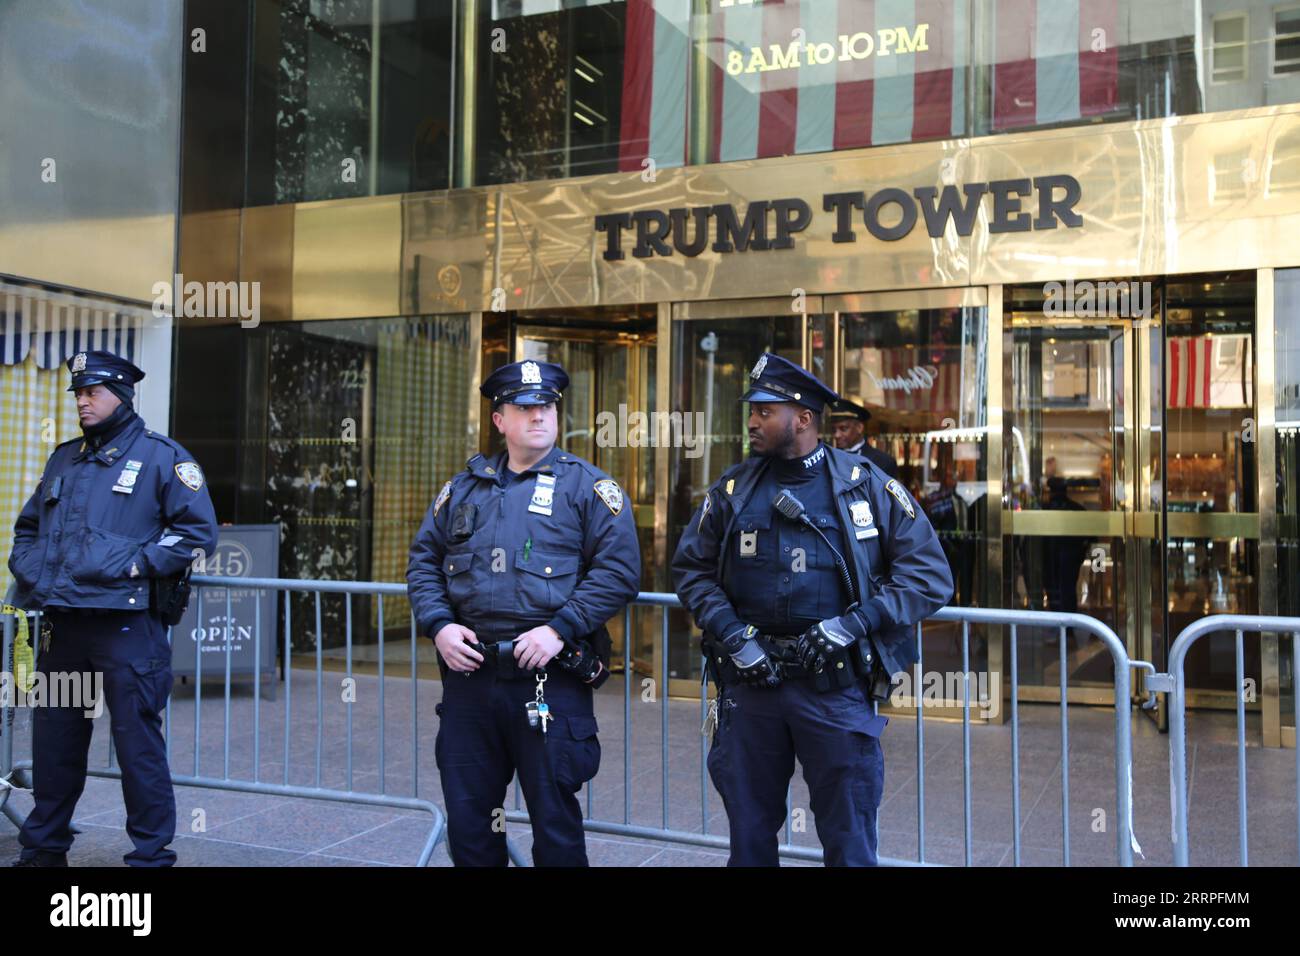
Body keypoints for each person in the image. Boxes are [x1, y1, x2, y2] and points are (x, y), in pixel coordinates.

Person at [672, 353, 952, 866]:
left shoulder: (864, 485)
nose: (753, 422)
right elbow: (691, 570)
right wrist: (733, 635)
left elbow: (930, 577)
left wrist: (855, 623)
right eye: (751, 412)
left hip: (835, 689)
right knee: (750, 835)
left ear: (802, 419)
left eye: (765, 411)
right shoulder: (734, 489)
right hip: (752, 687)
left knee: (848, 837)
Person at [407, 359, 640, 866]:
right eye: (525, 408)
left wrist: (560, 630)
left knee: (554, 826)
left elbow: (620, 573)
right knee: (470, 826)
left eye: (548, 407)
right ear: (500, 420)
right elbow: (423, 561)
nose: (539, 417)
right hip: (471, 679)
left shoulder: (589, 488)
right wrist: (439, 625)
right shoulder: (465, 488)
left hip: (548, 679)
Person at [8, 350, 218, 867]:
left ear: (121, 395)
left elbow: (197, 535)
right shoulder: (64, 458)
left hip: (127, 628)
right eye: (78, 393)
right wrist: (40, 574)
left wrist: (135, 565)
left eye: (92, 392)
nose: (82, 401)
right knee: (54, 747)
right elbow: (26, 533)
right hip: (64, 627)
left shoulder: (162, 458)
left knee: (137, 748)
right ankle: (42, 851)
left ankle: (149, 858)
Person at [827, 398, 899, 478]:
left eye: (843, 429)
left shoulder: (882, 462)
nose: (836, 435)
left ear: (859, 428)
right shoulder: (828, 459)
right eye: (834, 430)